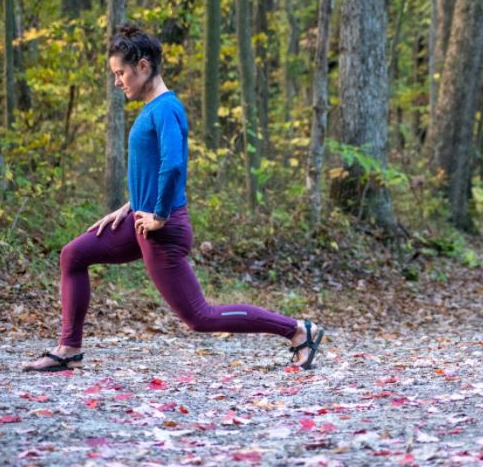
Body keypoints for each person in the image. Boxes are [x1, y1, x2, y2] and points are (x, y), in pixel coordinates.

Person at [22, 23, 323, 373]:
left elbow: (173, 165)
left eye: (121, 73)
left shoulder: (165, 108)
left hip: (162, 230)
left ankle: (299, 330)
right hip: (140, 220)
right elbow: (153, 168)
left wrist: (159, 214)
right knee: (74, 255)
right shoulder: (152, 109)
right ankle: (68, 348)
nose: (117, 81)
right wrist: (131, 205)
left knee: (199, 316)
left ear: (144, 66)